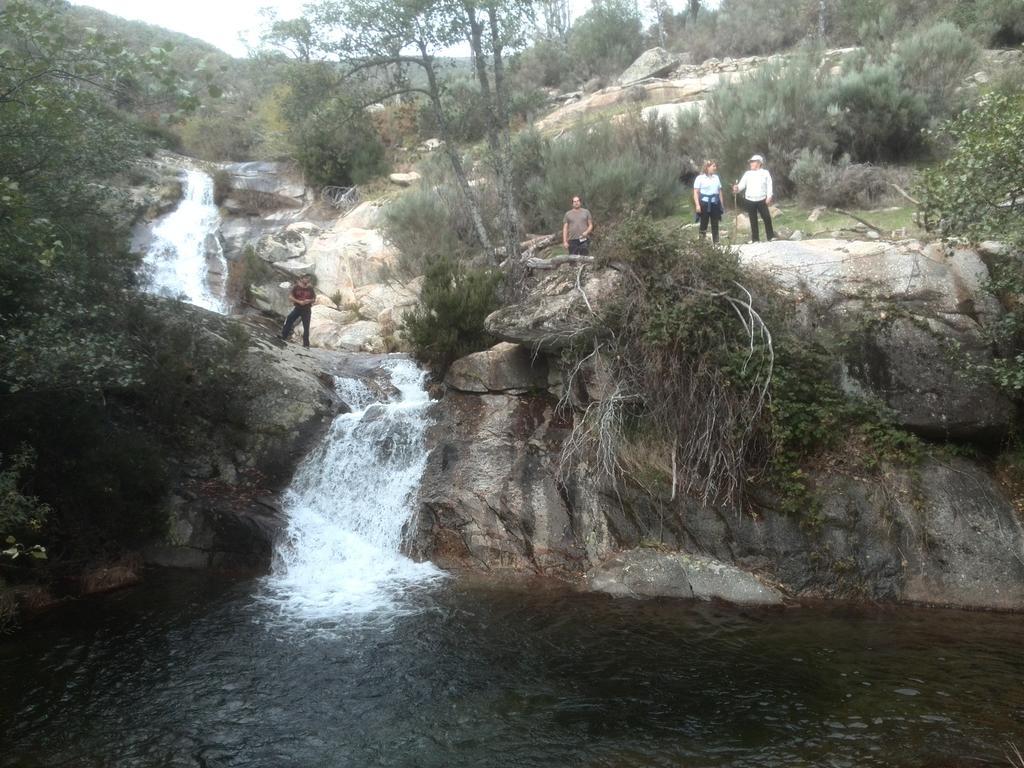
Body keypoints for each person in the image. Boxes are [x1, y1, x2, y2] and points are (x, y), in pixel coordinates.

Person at [732, 154, 775, 243]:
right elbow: (741, 185)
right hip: (750, 200)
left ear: (759, 163)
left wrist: (769, 196)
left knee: (766, 217)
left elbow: (769, 185)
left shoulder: (765, 173)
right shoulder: (747, 174)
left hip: (762, 199)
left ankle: (770, 237)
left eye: (753, 162)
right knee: (753, 219)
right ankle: (755, 239)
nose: (751, 163)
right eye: (750, 162)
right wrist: (737, 188)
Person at [693, 160, 725, 244]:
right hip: (704, 203)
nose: (715, 168)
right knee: (704, 223)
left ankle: (716, 242)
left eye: (715, 166)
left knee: (715, 223)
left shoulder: (716, 177)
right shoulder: (700, 178)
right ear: (707, 167)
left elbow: (719, 191)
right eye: (713, 166)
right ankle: (701, 243)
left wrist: (721, 204)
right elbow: (696, 192)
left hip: (715, 203)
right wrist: (697, 205)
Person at [281, 274, 316, 348]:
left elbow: (314, 299)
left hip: (307, 310)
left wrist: (308, 300)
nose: (307, 280)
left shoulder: (310, 288)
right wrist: (299, 301)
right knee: (289, 319)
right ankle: (283, 336)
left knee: (306, 327)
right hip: (297, 308)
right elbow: (290, 297)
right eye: (306, 278)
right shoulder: (296, 287)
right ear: (302, 279)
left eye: (308, 279)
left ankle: (306, 344)